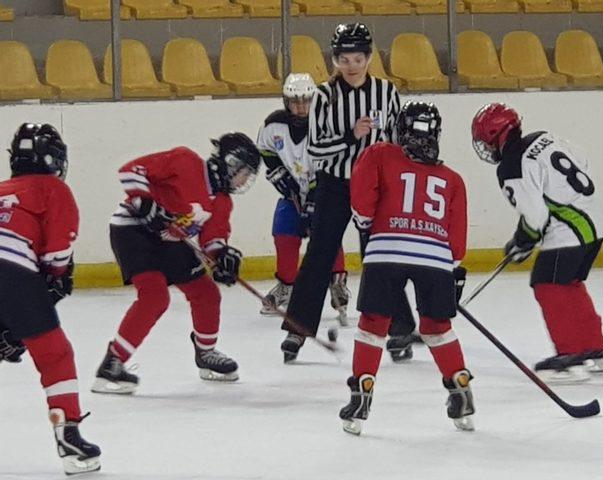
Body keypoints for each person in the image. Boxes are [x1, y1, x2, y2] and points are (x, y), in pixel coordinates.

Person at [280, 22, 416, 362]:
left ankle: (398, 327)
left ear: (369, 58)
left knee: (381, 256)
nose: (351, 65)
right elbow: (315, 150)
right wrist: (350, 136)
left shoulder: (387, 92)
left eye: (358, 58)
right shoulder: (324, 96)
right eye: (344, 59)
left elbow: (398, 141)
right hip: (335, 185)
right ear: (335, 60)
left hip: (378, 187)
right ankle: (298, 328)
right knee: (320, 255)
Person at [340, 101, 474, 435]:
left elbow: (361, 199)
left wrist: (366, 221)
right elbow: (457, 242)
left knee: (373, 324)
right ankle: (460, 387)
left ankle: (361, 394)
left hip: (388, 249)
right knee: (436, 326)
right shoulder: (453, 179)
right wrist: (450, 265)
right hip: (435, 257)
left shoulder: (380, 154)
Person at [92, 132, 261, 394]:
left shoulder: (223, 202)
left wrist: (222, 258)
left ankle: (205, 353)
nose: (245, 180)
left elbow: (212, 239)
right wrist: (144, 202)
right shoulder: (186, 161)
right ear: (231, 163)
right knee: (155, 297)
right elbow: (131, 171)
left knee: (206, 293)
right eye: (245, 172)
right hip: (133, 230)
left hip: (171, 240)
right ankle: (112, 364)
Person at [471, 103, 603, 383]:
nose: (487, 149)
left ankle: (569, 357)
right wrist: (527, 237)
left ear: (498, 135)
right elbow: (581, 159)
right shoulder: (544, 136)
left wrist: (522, 241)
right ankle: (594, 347)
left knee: (546, 283)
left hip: (569, 231)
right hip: (597, 220)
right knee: (569, 282)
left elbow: (536, 216)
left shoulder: (511, 166)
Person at [0, 123, 101, 474]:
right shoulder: (53, 188)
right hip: (11, 271)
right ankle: (69, 434)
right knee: (54, 353)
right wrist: (54, 280)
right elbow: (57, 252)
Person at [257, 72, 350, 324]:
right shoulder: (273, 125)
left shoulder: (326, 126)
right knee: (284, 233)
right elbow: (266, 151)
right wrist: (278, 174)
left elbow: (333, 162)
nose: (300, 107)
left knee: (325, 234)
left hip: (325, 190)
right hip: (292, 193)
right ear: (286, 101)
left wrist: (315, 196)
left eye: (306, 101)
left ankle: (337, 282)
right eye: (294, 101)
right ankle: (287, 284)